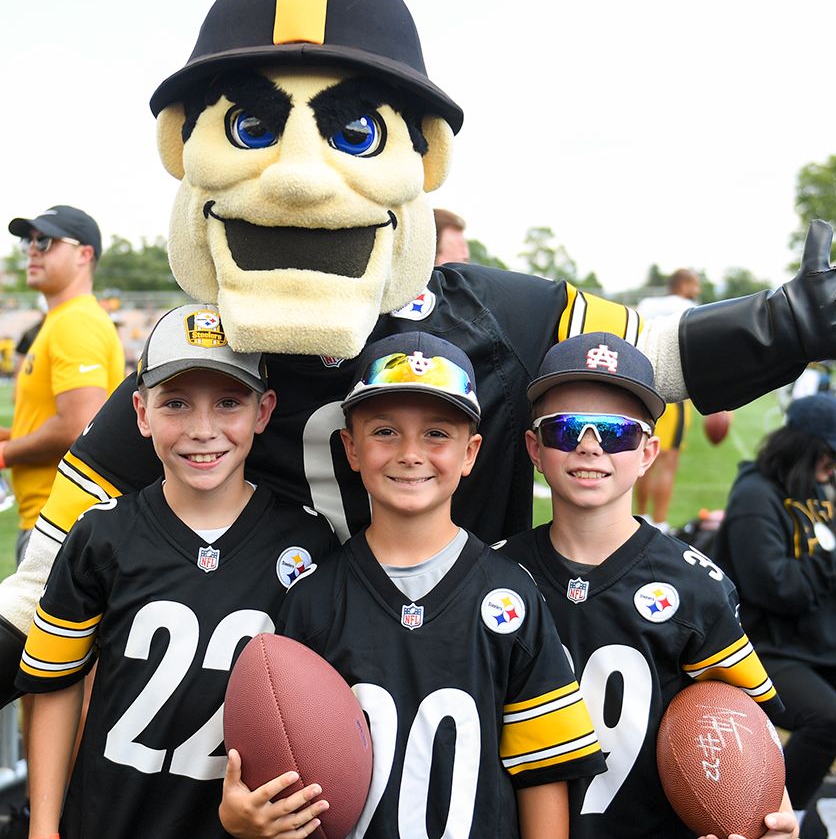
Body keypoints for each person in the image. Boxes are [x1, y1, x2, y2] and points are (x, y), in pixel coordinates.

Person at [1, 0, 836, 709]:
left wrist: (784, 325)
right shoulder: (192, 368)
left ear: (421, 158)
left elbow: (649, 357)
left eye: (354, 132)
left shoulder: (494, 317)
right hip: (257, 746)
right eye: (251, 127)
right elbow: (37, 596)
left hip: (464, 690)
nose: (303, 179)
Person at [222, 331, 606, 838]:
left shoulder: (512, 597)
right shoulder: (314, 598)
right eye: (384, 431)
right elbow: (280, 774)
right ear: (350, 448)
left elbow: (543, 776)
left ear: (470, 453)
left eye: (436, 434)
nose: (410, 453)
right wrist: (243, 819)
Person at [15, 303, 337, 839]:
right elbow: (55, 685)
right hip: (109, 818)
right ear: (140, 413)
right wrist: (43, 827)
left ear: (264, 411)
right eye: (177, 404)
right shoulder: (101, 535)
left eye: (229, 403)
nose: (202, 429)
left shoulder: (308, 543)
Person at [497, 331, 797, 839]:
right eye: (566, 430)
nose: (589, 447)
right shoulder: (495, 577)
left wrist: (775, 817)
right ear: (535, 447)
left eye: (616, 434)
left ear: (648, 452)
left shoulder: (694, 587)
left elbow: (744, 726)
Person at [716, 393, 836, 837]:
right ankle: (780, 823)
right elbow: (776, 587)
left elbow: (834, 554)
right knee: (827, 719)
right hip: (768, 645)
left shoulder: (815, 492)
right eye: (831, 453)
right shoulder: (754, 497)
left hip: (826, 639)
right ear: (800, 445)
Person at [0, 205, 124, 563]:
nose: (33, 249)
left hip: (57, 521)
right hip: (51, 519)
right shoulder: (61, 320)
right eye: (29, 241)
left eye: (47, 240)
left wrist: (5, 454)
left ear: (84, 254)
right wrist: (11, 434)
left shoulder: (76, 322)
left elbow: (76, 426)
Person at [635, 269, 701, 531]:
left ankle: (640, 517)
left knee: (641, 458)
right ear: (684, 284)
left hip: (641, 389)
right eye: (695, 284)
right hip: (672, 393)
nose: (697, 289)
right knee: (667, 461)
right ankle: (660, 523)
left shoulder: (647, 305)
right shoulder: (688, 307)